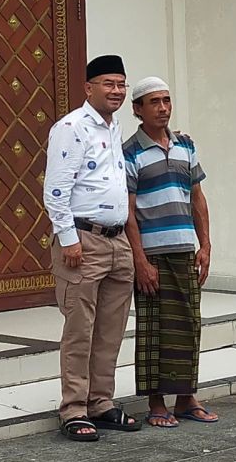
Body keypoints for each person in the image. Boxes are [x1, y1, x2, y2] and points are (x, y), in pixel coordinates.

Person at [43, 54, 140, 441]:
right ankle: (73, 408)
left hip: (117, 241)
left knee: (111, 329)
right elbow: (55, 191)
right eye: (108, 84)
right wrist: (68, 238)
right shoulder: (72, 127)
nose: (116, 91)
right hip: (83, 241)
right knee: (80, 329)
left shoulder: (113, 127)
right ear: (89, 88)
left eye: (121, 85)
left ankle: (101, 402)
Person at [123, 77, 214, 428]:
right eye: (154, 102)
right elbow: (128, 211)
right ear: (137, 110)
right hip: (152, 256)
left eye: (166, 100)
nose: (163, 108)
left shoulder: (186, 146)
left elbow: (197, 198)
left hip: (184, 250)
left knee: (189, 325)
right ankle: (157, 403)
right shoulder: (130, 152)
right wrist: (140, 260)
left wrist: (205, 244)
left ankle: (188, 398)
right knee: (154, 329)